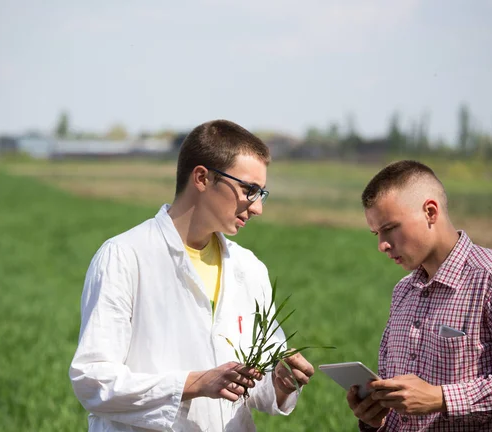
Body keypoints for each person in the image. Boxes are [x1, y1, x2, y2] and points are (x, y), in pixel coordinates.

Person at [69, 119, 314, 432]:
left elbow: (256, 389)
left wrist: (280, 381)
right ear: (202, 178)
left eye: (261, 193)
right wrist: (195, 383)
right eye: (248, 190)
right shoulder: (125, 256)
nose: (256, 208)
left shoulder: (249, 268)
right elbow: (93, 380)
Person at [347, 160, 492, 431]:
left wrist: (442, 398)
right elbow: (406, 410)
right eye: (377, 233)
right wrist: (374, 420)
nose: (382, 245)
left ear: (430, 212)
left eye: (390, 228)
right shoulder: (403, 291)